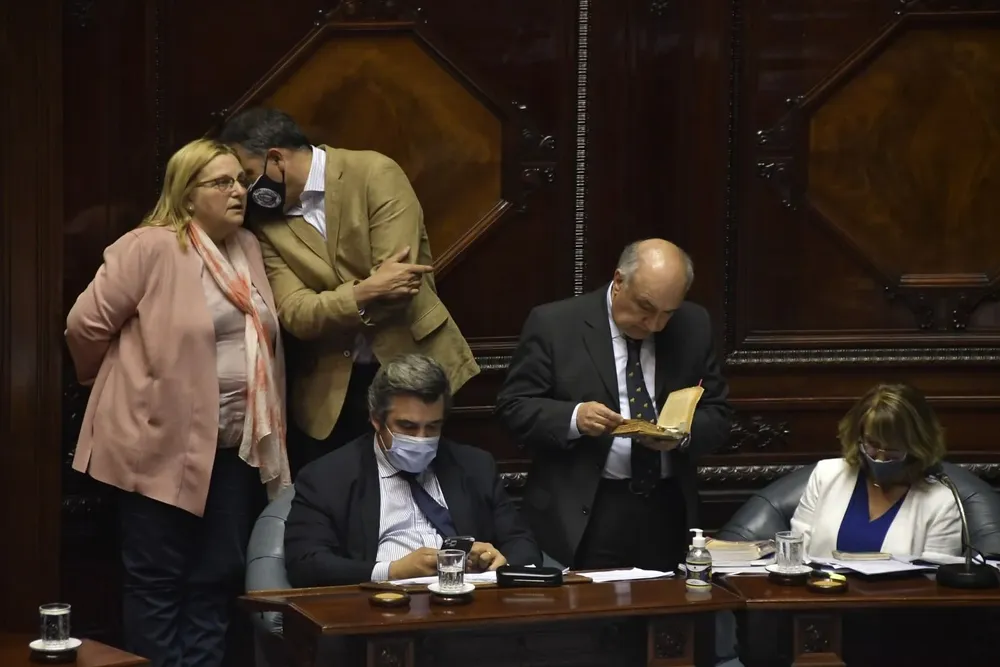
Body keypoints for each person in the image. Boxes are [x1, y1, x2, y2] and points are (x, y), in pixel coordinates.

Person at [65, 139, 291, 667]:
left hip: (236, 447)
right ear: (187, 196)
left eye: (240, 180)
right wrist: (128, 383)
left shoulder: (249, 248)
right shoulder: (149, 247)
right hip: (157, 445)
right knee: (158, 583)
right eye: (222, 183)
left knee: (215, 579)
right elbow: (84, 326)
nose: (239, 191)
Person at [218, 108, 479, 475]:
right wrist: (365, 291)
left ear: (276, 158)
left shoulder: (375, 173)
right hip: (330, 392)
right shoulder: (265, 224)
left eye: (247, 175)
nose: (245, 191)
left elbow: (400, 285)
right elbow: (296, 314)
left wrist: (343, 301)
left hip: (413, 368)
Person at [495, 239, 733, 571]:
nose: (654, 325)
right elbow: (513, 407)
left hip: (666, 507)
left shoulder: (693, 325)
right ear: (619, 282)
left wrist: (681, 435)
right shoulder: (556, 324)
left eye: (668, 313)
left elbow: (718, 413)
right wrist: (575, 418)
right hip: (589, 508)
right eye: (645, 308)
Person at [284, 354, 541, 586]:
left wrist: (501, 562)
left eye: (432, 427)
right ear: (376, 419)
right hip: (380, 609)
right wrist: (391, 571)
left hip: (468, 608)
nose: (421, 438)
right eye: (407, 426)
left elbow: (524, 545)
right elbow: (305, 564)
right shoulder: (327, 477)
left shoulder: (474, 466)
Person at [791, 382, 962, 559]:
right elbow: (796, 555)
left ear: (916, 446)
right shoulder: (825, 475)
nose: (880, 458)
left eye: (892, 449)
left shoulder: (942, 503)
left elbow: (935, 577)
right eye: (872, 444)